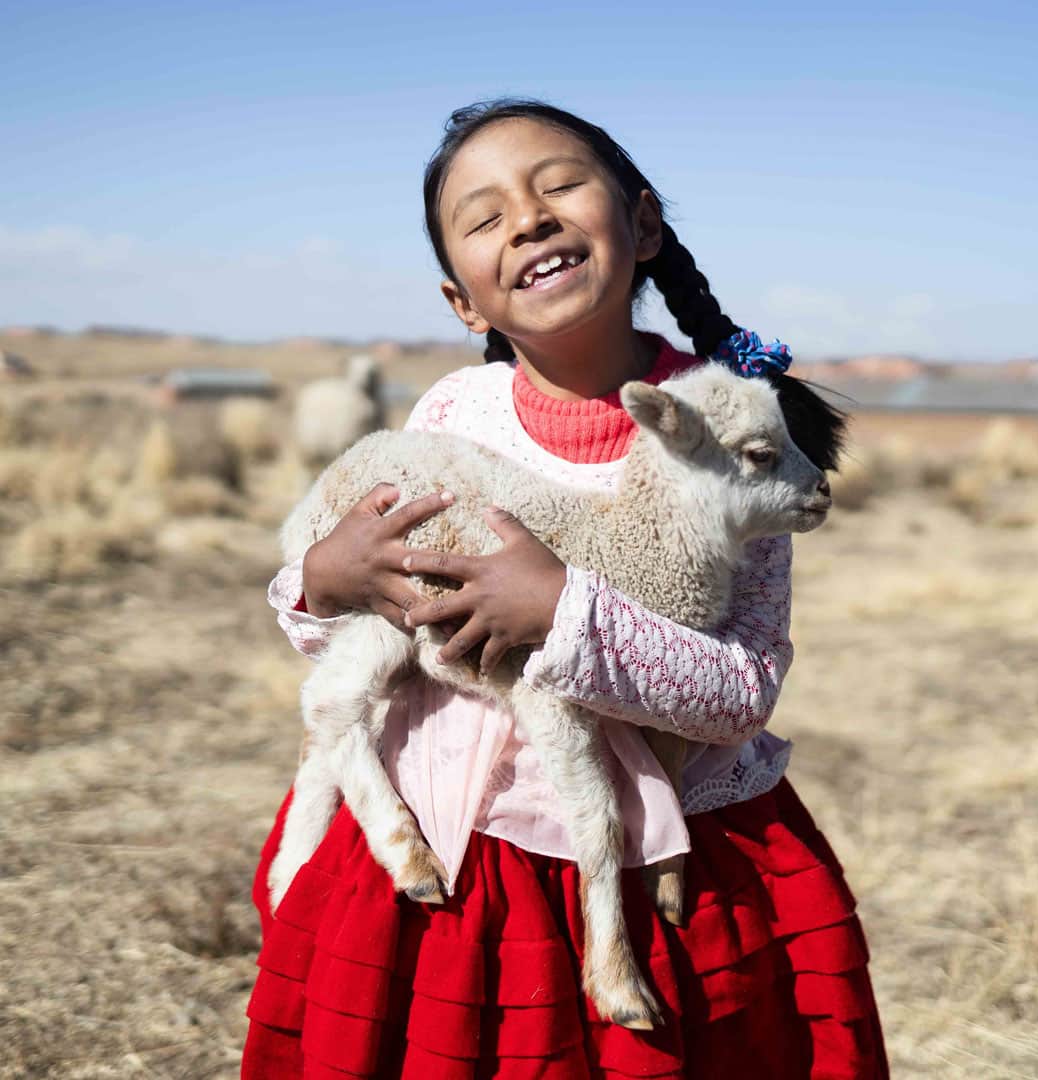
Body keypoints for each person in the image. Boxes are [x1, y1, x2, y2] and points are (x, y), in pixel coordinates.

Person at [242, 99, 889, 1079]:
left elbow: (741, 691)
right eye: (484, 216)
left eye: (557, 186)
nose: (529, 220)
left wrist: (563, 613)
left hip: (658, 858)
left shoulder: (732, 429)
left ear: (643, 225)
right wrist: (320, 582)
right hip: (448, 845)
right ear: (463, 300)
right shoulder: (453, 413)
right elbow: (379, 624)